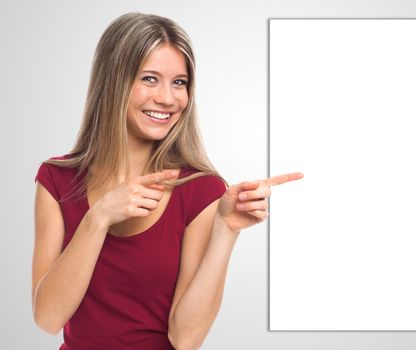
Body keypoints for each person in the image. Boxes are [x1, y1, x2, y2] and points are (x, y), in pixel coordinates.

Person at [32, 12, 303, 350]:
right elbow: (47, 318)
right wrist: (98, 218)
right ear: (113, 81)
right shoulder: (57, 179)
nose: (168, 98)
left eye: (179, 82)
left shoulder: (201, 190)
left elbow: (185, 338)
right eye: (149, 79)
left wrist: (226, 228)